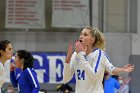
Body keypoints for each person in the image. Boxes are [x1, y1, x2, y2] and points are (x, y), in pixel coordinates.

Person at [63, 27, 134, 93]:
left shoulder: (99, 54)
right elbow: (66, 79)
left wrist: (122, 69)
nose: (81, 36)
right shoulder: (76, 55)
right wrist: (67, 61)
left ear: (92, 39)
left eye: (85, 34)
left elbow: (95, 76)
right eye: (81, 34)